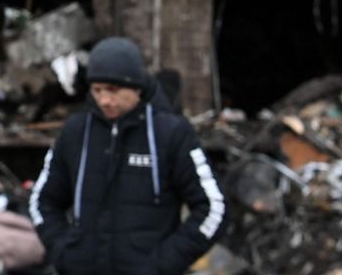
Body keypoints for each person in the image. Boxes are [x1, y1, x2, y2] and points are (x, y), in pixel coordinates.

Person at [28, 37, 226, 275]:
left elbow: (214, 208)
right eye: (97, 90)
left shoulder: (171, 133)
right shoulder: (75, 132)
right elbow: (43, 201)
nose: (104, 100)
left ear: (136, 87)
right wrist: (64, 253)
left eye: (113, 90)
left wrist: (164, 263)